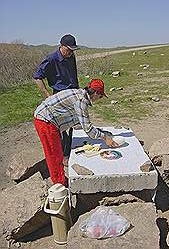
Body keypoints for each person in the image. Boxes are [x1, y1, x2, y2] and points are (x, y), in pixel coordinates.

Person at [34, 79, 118, 186]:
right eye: (100, 96)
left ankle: (60, 179)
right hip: (45, 121)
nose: (99, 99)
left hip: (46, 118)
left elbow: (81, 123)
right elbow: (88, 129)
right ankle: (60, 185)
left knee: (57, 153)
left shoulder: (80, 95)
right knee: (54, 155)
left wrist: (101, 132)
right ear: (96, 93)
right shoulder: (81, 101)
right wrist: (105, 137)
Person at [33, 34, 79, 162]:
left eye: (72, 50)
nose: (70, 52)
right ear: (62, 46)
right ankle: (63, 156)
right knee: (61, 127)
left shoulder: (71, 56)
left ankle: (72, 151)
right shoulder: (51, 59)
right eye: (68, 50)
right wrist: (48, 96)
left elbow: (73, 75)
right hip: (59, 95)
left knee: (73, 124)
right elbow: (37, 77)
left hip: (73, 94)